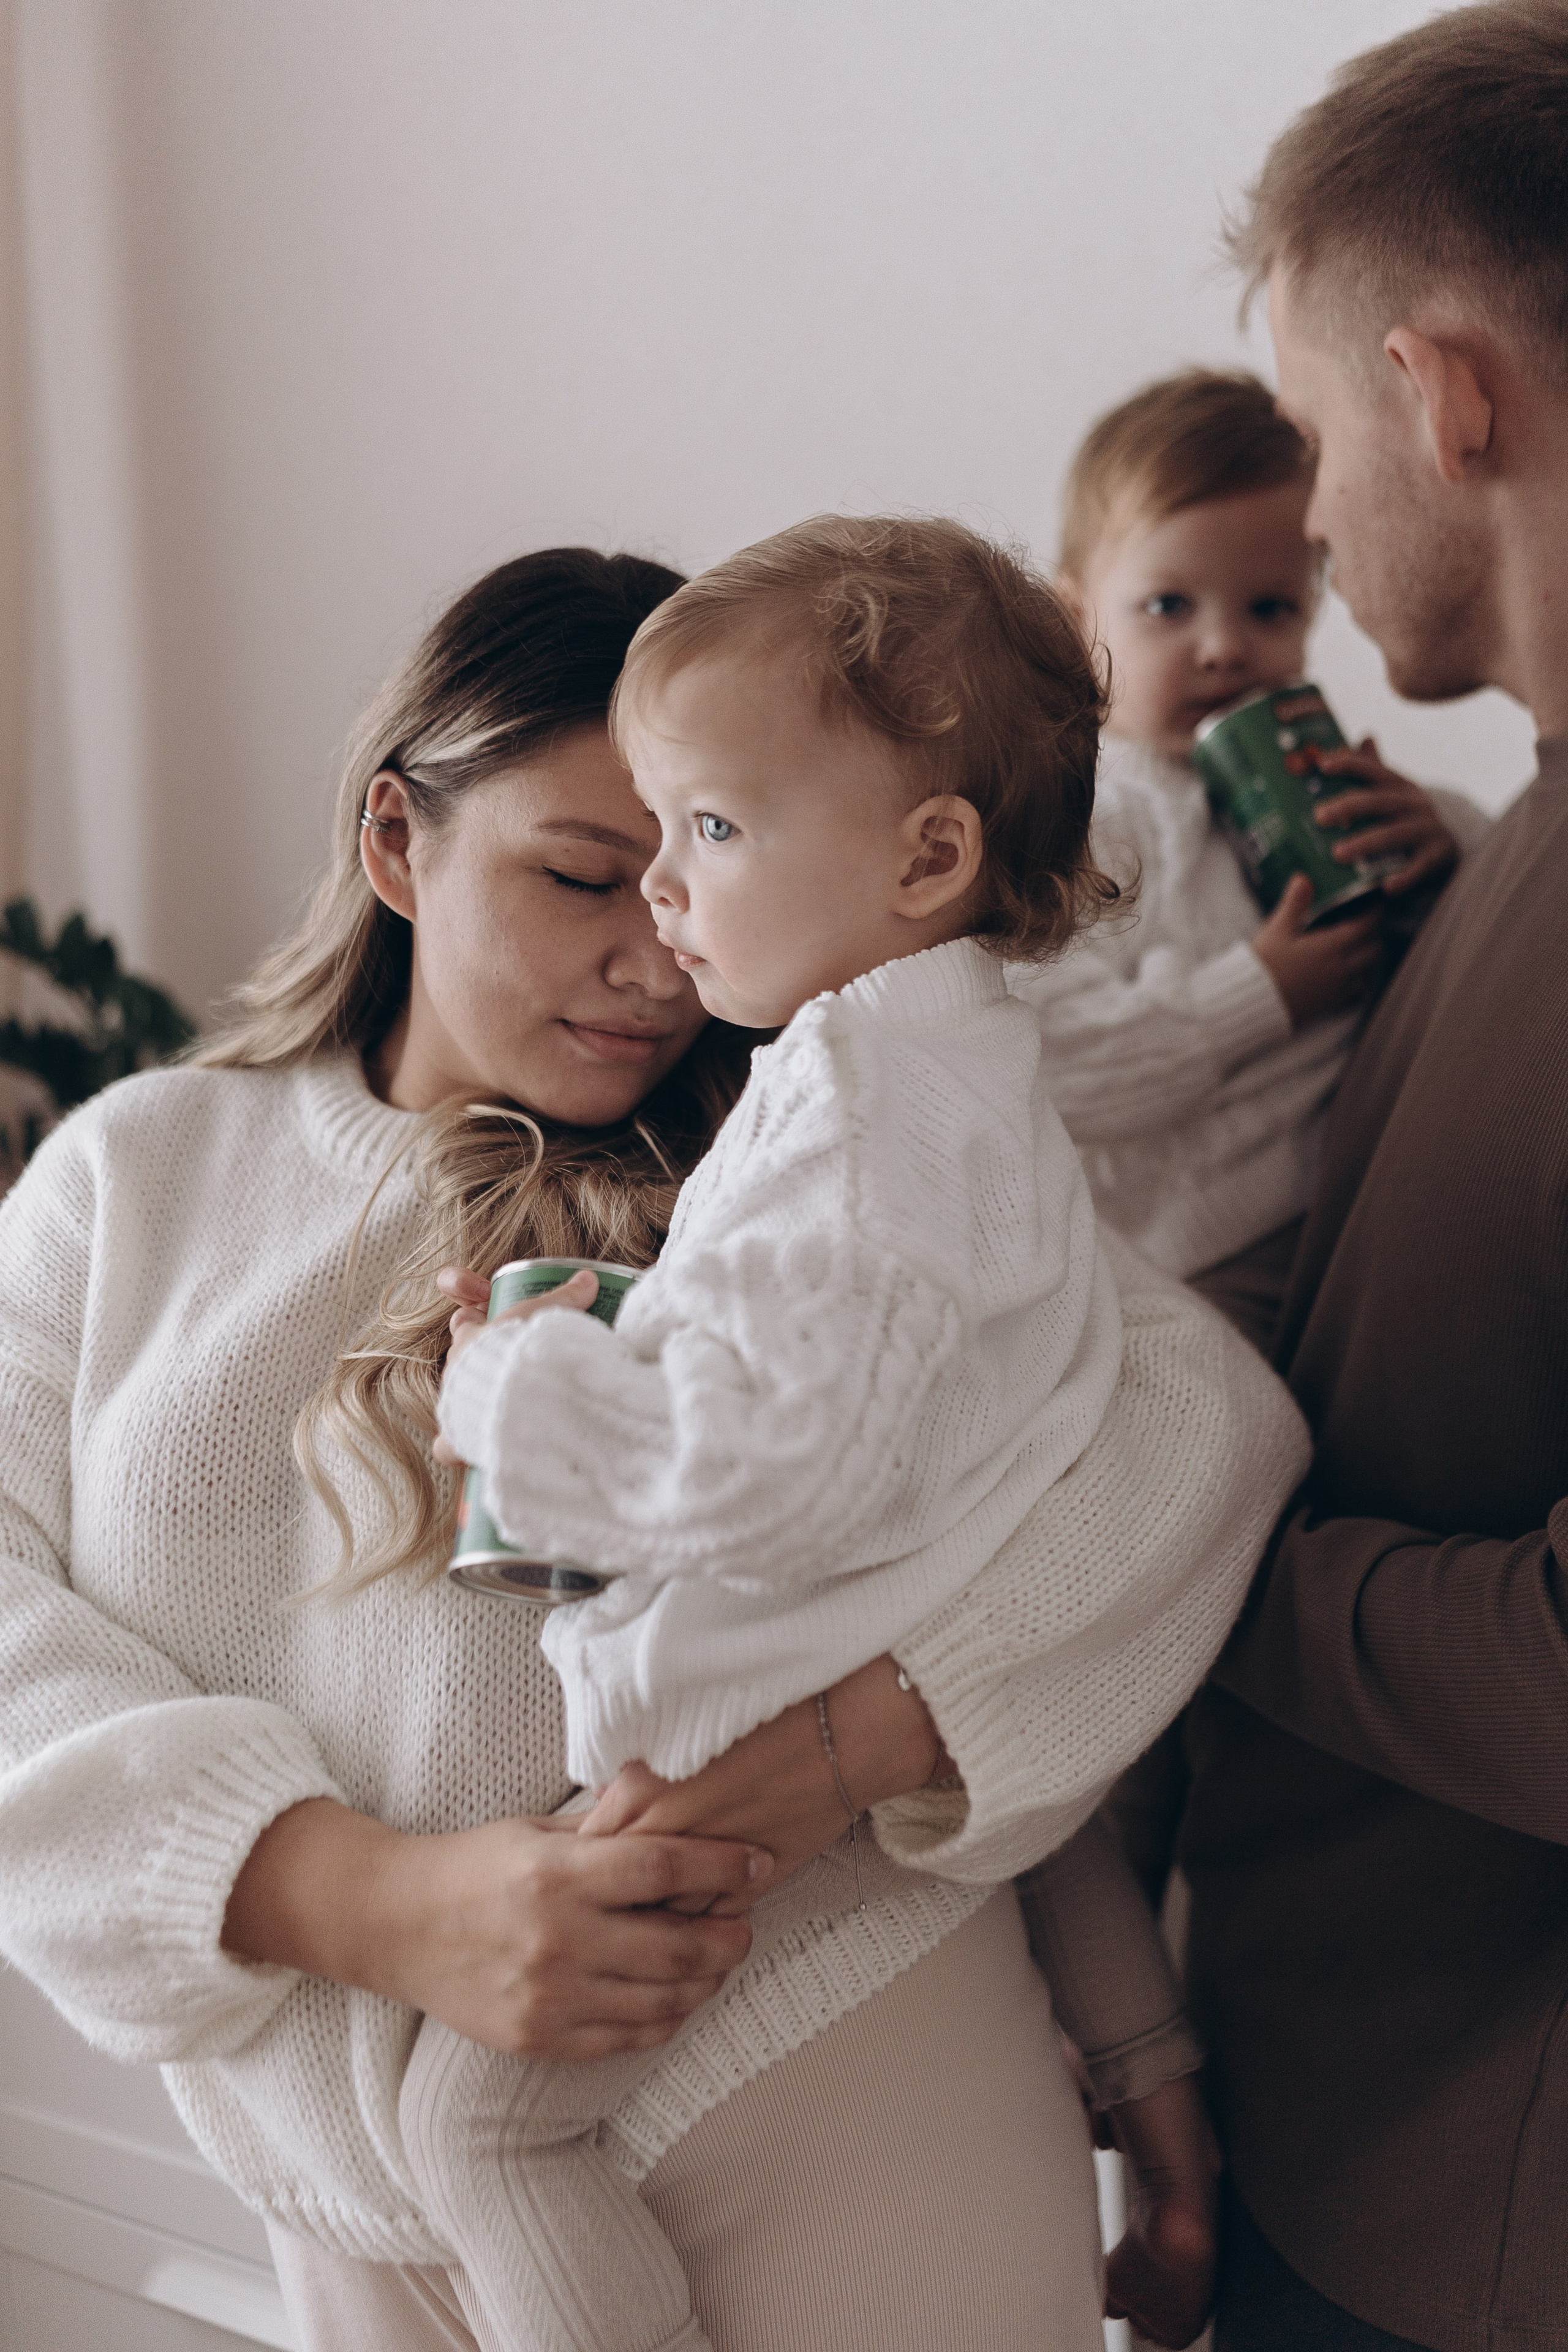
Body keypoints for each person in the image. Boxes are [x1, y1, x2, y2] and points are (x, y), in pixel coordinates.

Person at [0, 546, 1306, 2352]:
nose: (659, 951)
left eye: (701, 858)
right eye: (582, 876)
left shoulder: (822, 1147)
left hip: (841, 2071)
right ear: (398, 844)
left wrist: (858, 1745)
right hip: (355, 2173)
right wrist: (364, 1902)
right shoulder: (130, 1181)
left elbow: (1185, 1438)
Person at [404, 513, 1209, 2352]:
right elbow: (845, 1377)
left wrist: (516, 1390)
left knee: (480, 2130)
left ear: (927, 855)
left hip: (736, 1735)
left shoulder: (858, 1108)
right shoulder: (956, 1072)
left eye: (705, 832)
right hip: (786, 1719)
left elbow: (777, 1475)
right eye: (614, 855)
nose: (667, 905)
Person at [1166, 7, 1568, 2346]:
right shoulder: (1501, 839)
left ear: (1446, 397)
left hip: (1479, 2232)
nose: (1307, 519)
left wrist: (1182, 1550)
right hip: (1340, 2126)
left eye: (1315, 434)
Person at [1013, 369, 1485, 1354]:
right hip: (1167, 1262)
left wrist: (1443, 856)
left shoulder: (1331, 779)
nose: (1224, 647)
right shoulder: (1075, 826)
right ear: (1075, 622)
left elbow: (1510, 913)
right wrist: (1257, 993)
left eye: (1270, 608)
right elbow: (1052, 1069)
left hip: (1353, 1229)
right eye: (1168, 606)